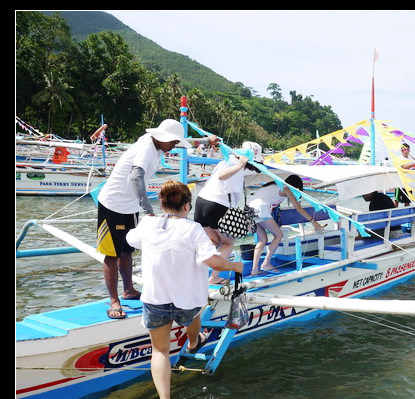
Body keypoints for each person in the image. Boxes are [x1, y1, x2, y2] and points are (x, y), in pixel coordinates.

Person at [126, 180, 243, 399]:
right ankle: (193, 342)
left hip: (155, 298)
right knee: (193, 318)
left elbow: (130, 239)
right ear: (187, 206)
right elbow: (214, 262)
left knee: (160, 351)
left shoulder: (147, 224)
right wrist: (235, 265)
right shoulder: (193, 229)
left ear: (162, 202)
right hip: (187, 300)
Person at [96, 119, 218, 319]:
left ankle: (129, 290)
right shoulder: (145, 148)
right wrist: (148, 211)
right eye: (173, 143)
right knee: (112, 254)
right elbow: (136, 177)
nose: (174, 147)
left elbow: (182, 140)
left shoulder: (157, 144)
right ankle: (114, 301)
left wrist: (205, 141)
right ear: (164, 138)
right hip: (113, 204)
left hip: (130, 205)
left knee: (127, 250)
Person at [194, 141, 261, 285]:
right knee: (228, 242)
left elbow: (210, 181)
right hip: (216, 204)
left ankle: (195, 274)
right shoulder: (236, 165)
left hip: (201, 202)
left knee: (213, 241)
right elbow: (221, 176)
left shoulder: (225, 160)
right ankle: (214, 277)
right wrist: (240, 166)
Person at [248, 175, 324, 275]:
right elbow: (298, 208)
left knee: (262, 240)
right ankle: (266, 263)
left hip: (249, 210)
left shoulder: (273, 184)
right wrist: (313, 222)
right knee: (279, 235)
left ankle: (254, 270)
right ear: (295, 186)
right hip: (260, 210)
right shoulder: (286, 188)